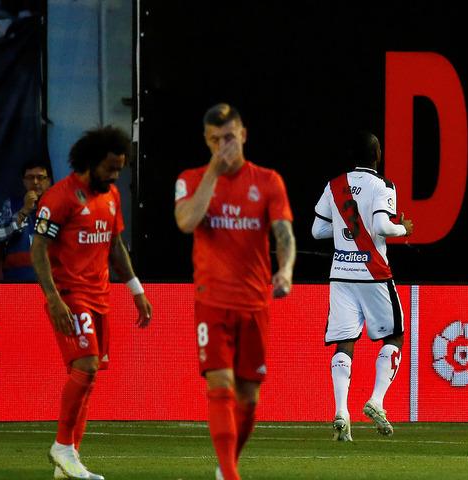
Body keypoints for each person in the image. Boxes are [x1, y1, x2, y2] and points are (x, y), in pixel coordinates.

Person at [174, 104, 295, 480]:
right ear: (206, 141)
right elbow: (186, 221)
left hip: (255, 302)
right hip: (212, 301)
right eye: (214, 139)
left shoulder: (268, 180)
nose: (222, 145)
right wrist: (213, 169)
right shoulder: (191, 179)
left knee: (249, 399)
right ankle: (230, 474)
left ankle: (226, 467)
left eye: (228, 136)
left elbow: (283, 233)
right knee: (221, 385)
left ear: (243, 134)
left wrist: (286, 270)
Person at [31, 126, 152, 479]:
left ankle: (68, 463)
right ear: (90, 162)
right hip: (70, 295)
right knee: (85, 365)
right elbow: (38, 248)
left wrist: (135, 289)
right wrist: (52, 299)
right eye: (110, 168)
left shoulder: (111, 195)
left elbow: (115, 245)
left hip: (101, 297)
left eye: (119, 168)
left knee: (89, 374)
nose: (115, 175)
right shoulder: (60, 197)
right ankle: (62, 447)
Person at [311, 131, 414, 442]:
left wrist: (344, 229)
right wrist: (403, 229)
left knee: (345, 341)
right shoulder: (383, 185)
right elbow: (383, 226)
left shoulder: (334, 185)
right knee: (395, 335)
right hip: (373, 272)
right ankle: (376, 400)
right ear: (377, 154)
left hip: (341, 272)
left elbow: (317, 230)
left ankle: (341, 410)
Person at [0, 161, 52, 281]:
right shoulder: (12, 204)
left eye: (40, 178)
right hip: (18, 283)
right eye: (30, 178)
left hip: (52, 285)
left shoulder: (58, 207)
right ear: (24, 182)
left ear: (48, 181)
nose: (35, 182)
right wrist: (24, 210)